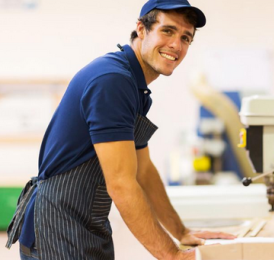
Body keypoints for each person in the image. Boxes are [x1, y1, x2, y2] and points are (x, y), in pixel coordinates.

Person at [6, 0, 236, 259]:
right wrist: (172, 255)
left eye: (186, 38)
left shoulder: (134, 87)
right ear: (141, 29)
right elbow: (122, 184)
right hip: (57, 227)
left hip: (85, 225)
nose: (176, 45)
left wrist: (181, 232)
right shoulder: (112, 81)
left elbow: (144, 171)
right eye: (168, 31)